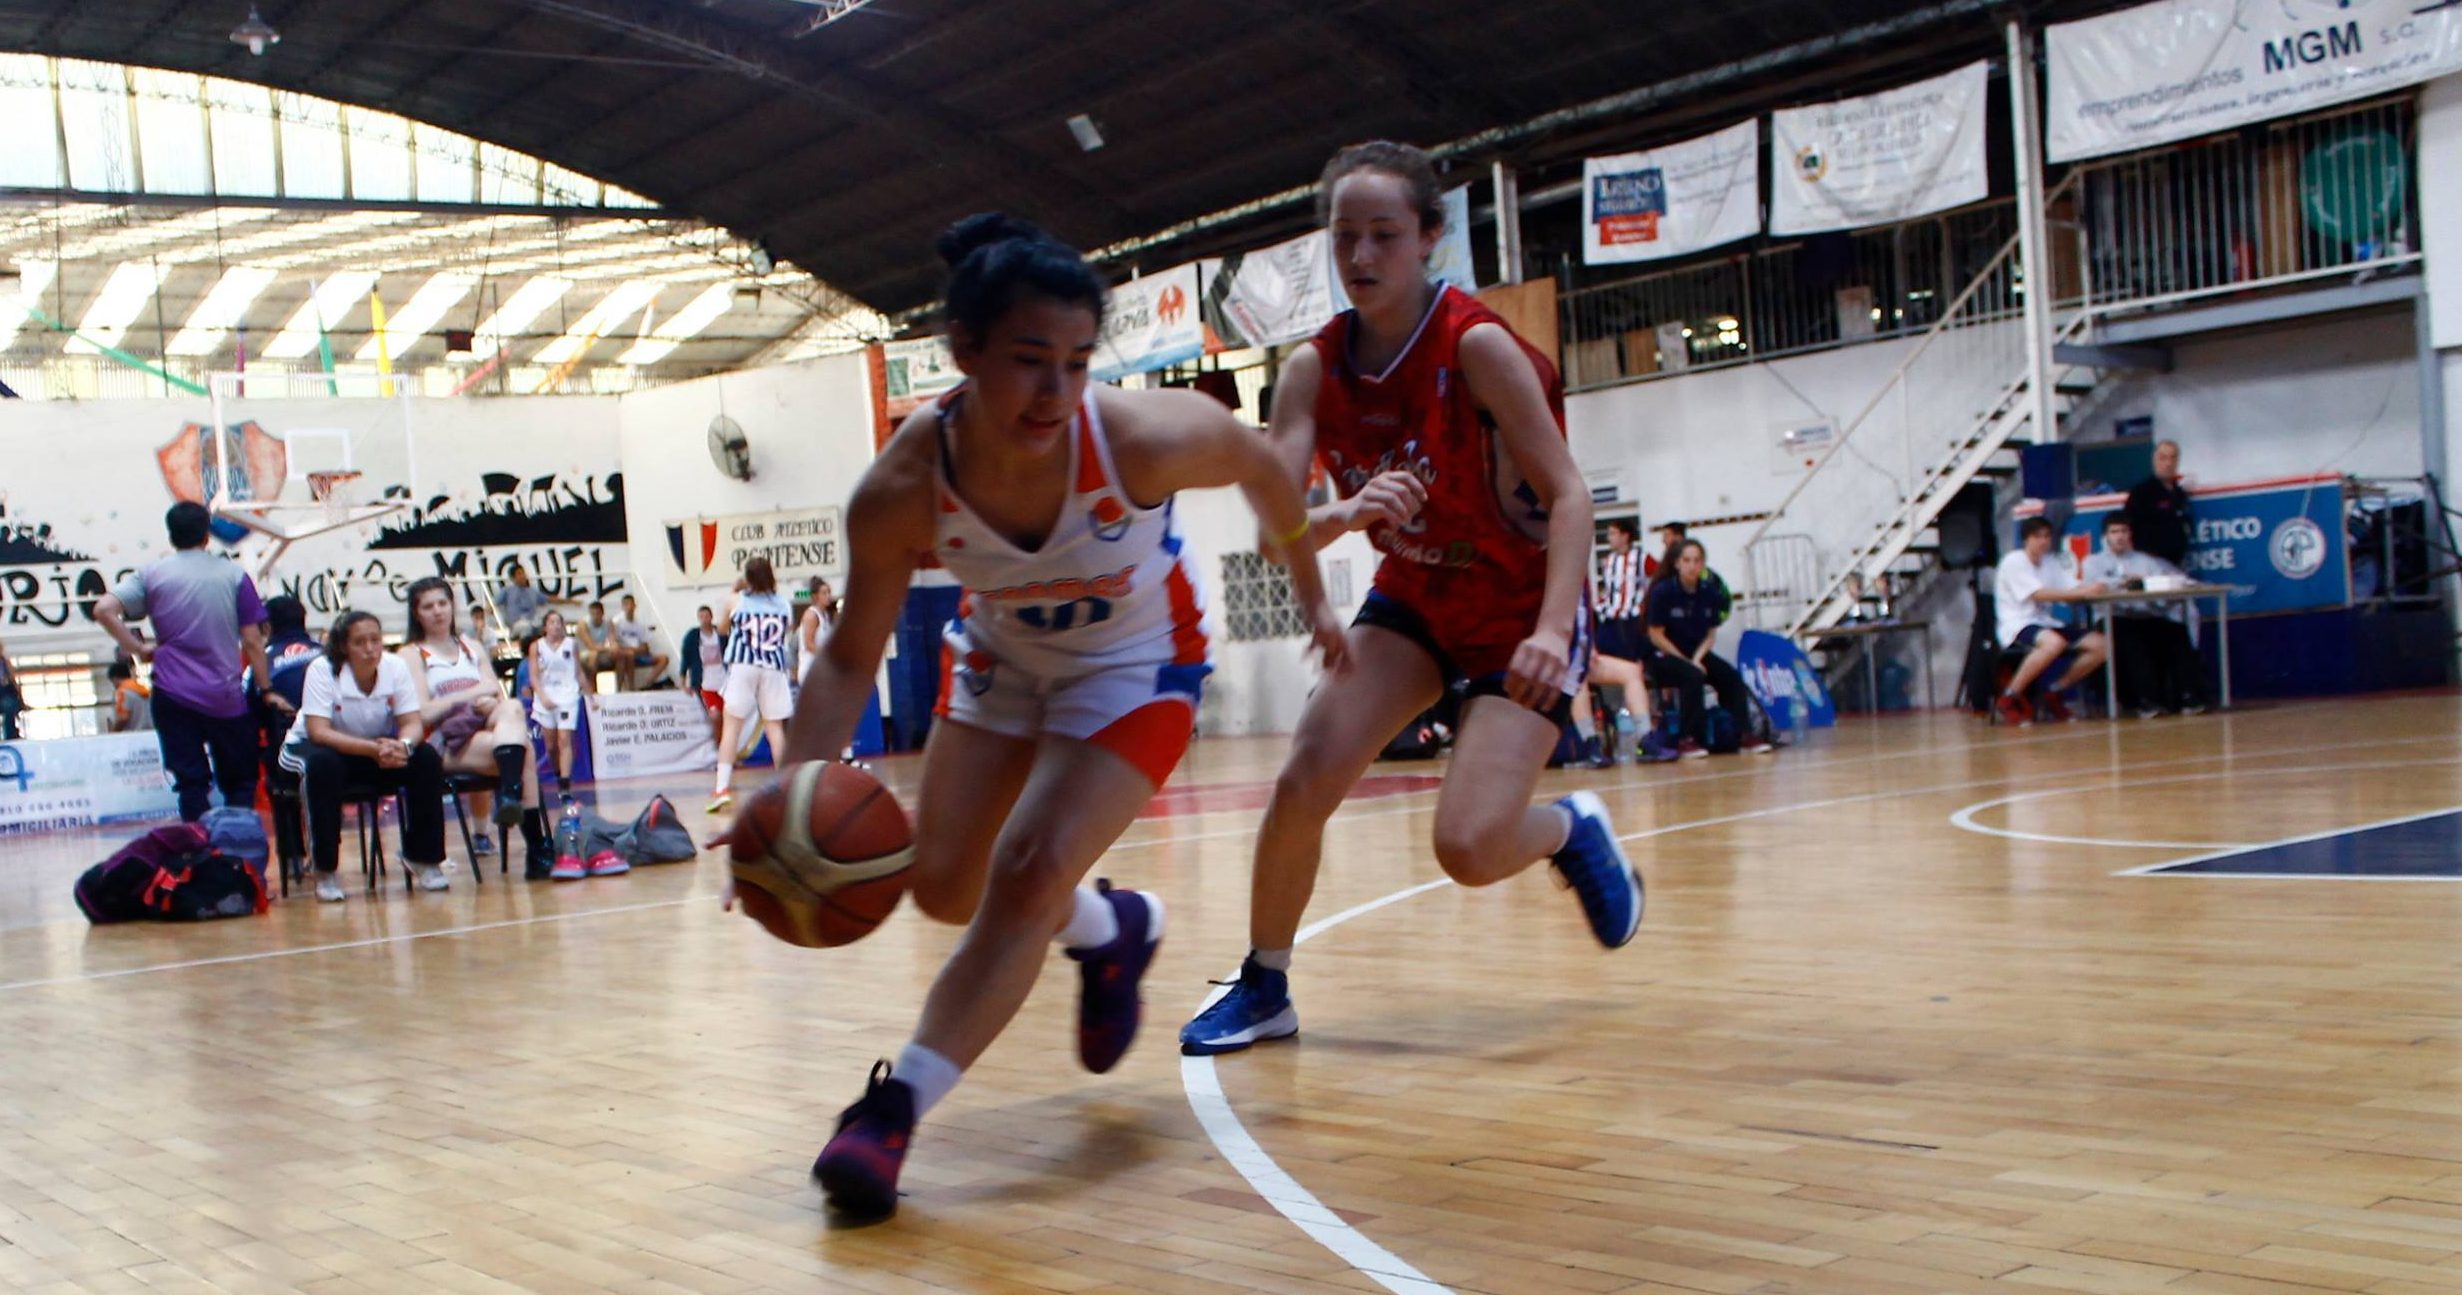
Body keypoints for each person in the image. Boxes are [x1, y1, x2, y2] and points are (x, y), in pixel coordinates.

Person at [760, 212, 1342, 1220]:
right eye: (1030, 362)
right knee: (942, 886)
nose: (1056, 392)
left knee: (1026, 866)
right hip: (1002, 659)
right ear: (963, 353)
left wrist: (1312, 590)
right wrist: (791, 789)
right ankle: (1109, 928)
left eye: (1077, 363)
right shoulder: (901, 487)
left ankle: (890, 1113)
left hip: (1136, 662)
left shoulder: (1142, 437)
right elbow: (852, 654)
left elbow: (1264, 469)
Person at [1179, 141, 1640, 1063]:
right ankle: (1264, 983)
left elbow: (1572, 496)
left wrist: (1554, 627)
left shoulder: (1475, 346)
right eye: (1344, 236)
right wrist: (1337, 535)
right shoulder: (1313, 370)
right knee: (1306, 770)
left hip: (1516, 605)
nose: (1359, 256)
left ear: (1429, 237)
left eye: (1383, 235)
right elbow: (1280, 525)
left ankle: (1568, 827)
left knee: (1468, 849)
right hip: (1418, 596)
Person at [92, 501, 273, 822]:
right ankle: (238, 851)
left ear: (171, 535)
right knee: (239, 783)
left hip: (172, 696)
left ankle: (198, 856)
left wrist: (137, 647)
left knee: (190, 785)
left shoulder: (151, 574)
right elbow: (253, 641)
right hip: (224, 697)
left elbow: (103, 609)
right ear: (207, 535)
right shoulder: (234, 576)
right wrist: (265, 687)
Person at [277, 611, 448, 902]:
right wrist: (374, 750)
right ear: (344, 646)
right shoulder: (322, 669)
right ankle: (325, 869)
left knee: (425, 758)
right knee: (321, 767)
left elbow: (412, 722)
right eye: (360, 642)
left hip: (372, 749)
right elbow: (319, 732)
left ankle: (423, 857)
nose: (370, 649)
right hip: (313, 749)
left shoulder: (395, 667)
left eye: (375, 640)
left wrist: (403, 746)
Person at [399, 577, 558, 878]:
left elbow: (498, 698)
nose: (437, 611)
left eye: (443, 603)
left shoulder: (471, 647)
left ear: (452, 606)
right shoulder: (411, 654)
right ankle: (538, 850)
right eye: (428, 606)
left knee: (511, 708)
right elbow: (423, 712)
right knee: (521, 751)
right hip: (445, 742)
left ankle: (511, 796)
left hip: (487, 732)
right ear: (416, 613)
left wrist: (489, 702)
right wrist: (471, 695)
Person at [1646, 539, 1770, 756]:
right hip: (1664, 655)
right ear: (1677, 563)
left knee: (1729, 676)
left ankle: (1744, 734)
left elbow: (1710, 634)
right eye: (1687, 560)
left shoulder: (1709, 592)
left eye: (1697, 561)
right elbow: (1656, 635)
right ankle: (1688, 738)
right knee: (1692, 676)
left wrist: (1697, 658)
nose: (1692, 566)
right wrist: (1688, 662)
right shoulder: (1663, 592)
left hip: (1697, 653)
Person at [2080, 516, 2209, 718]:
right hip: (2114, 615)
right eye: (2114, 532)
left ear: (2130, 534)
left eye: (2124, 531)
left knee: (2176, 632)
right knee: (2131, 640)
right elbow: (2094, 589)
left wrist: (2150, 586)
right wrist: (2123, 583)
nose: (2120, 537)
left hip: (2146, 614)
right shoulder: (2093, 563)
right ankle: (2146, 701)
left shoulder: (2146, 561)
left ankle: (2189, 696)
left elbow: (2163, 587)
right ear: (2105, 536)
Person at [1993, 516, 2111, 726]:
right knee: (2054, 643)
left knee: (2102, 645)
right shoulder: (2014, 560)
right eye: (2037, 536)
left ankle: (2054, 690)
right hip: (2018, 623)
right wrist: (2078, 594)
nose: (2043, 541)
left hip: (2045, 622)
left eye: (2047, 536)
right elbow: (2039, 594)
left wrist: (2093, 587)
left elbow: (2071, 587)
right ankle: (2009, 696)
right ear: (2026, 539)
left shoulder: (2050, 562)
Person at [707, 560, 795, 815]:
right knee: (775, 728)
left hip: (744, 664)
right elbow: (786, 630)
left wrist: (735, 589)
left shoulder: (736, 600)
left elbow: (722, 629)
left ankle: (722, 788)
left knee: (732, 728)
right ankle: (786, 788)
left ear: (747, 578)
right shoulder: (784, 603)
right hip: (774, 667)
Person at [255, 595, 321, 873]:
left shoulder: (262, 665)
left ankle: (293, 856)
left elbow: (251, 711)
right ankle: (326, 852)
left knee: (276, 770)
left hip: (290, 761)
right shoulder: (330, 654)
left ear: (267, 626)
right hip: (344, 756)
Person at [524, 610, 589, 803]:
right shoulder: (536, 647)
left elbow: (578, 672)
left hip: (568, 696)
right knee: (551, 746)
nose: (556, 625)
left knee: (564, 739)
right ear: (545, 627)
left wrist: (590, 695)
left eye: (559, 622)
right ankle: (559, 771)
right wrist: (542, 696)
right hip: (546, 698)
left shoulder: (571, 645)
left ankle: (565, 784)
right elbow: (534, 676)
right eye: (552, 622)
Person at [2124, 439, 2192, 568]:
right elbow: (2129, 527)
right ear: (2154, 460)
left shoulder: (2179, 493)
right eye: (2163, 458)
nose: (2168, 463)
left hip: (2176, 563)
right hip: (2150, 563)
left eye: (2172, 458)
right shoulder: (2141, 492)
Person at [1596, 519, 1648, 664]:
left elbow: (1658, 580)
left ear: (1625, 536)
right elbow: (1608, 586)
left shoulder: (1642, 558)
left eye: (1613, 533)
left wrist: (1645, 604)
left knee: (1632, 657)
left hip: (1632, 617)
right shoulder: (1608, 560)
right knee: (1603, 654)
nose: (1609, 538)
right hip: (1610, 615)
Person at [679, 604, 728, 745]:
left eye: (707, 616)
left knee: (727, 718)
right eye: (702, 616)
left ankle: (724, 747)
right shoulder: (693, 636)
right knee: (715, 716)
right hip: (705, 683)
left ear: (711, 617)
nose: (705, 619)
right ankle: (716, 746)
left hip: (723, 681)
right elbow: (685, 659)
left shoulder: (721, 634)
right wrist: (683, 682)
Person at [611, 594, 669, 690]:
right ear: (622, 606)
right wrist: (631, 650)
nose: (629, 607)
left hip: (638, 654)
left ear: (635, 605)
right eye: (626, 604)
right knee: (628, 655)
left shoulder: (639, 624)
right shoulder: (616, 622)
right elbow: (614, 643)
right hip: (623, 655)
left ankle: (646, 685)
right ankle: (626, 688)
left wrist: (636, 650)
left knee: (663, 659)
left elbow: (645, 647)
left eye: (631, 604)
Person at [796, 577, 836, 685]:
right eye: (824, 593)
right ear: (815, 596)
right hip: (810, 668)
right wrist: (829, 656)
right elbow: (809, 644)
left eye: (829, 592)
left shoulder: (826, 616)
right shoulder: (811, 615)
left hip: (822, 668)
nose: (828, 596)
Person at [495, 562, 547, 638]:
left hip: (533, 622)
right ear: (513, 578)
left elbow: (547, 599)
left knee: (547, 626)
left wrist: (568, 601)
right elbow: (495, 603)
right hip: (516, 625)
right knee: (525, 627)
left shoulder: (532, 591)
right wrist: (488, 609)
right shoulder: (507, 591)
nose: (523, 576)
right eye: (519, 574)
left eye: (523, 573)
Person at [107, 661, 151, 732]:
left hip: (133, 736)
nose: (113, 685)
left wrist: (113, 733)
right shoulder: (144, 690)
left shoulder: (122, 692)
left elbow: (123, 718)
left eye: (112, 681)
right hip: (151, 734)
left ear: (115, 678)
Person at [0, 637, 22, 740]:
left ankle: (10, 735)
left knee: (9, 705)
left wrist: (20, 697)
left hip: (4, 691)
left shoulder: (5, 662)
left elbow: (13, 680)